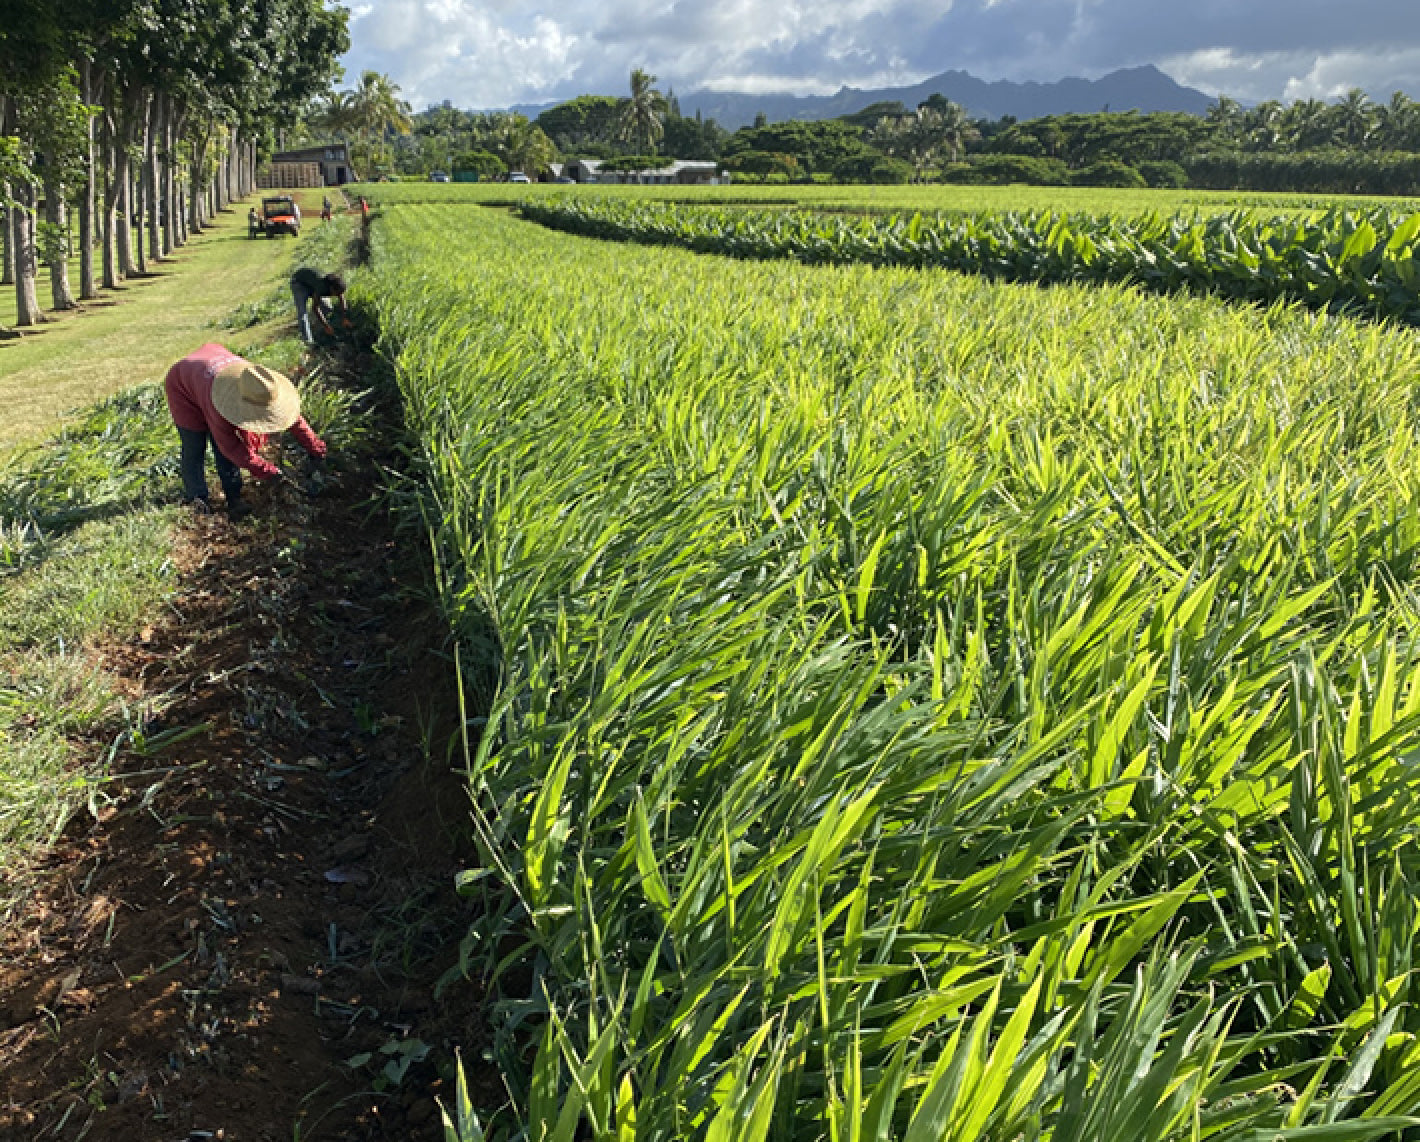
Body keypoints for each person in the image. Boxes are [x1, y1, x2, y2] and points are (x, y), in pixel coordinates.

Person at [164, 343, 327, 520]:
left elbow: (295, 421)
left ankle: (234, 497)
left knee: (224, 449)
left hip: (210, 364)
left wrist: (316, 450)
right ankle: (198, 500)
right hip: (183, 386)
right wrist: (268, 472)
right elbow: (231, 448)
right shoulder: (223, 402)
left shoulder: (261, 387)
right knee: (195, 446)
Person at [290, 268, 348, 343]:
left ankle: (313, 325)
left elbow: (342, 300)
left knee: (327, 308)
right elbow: (315, 308)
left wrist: (345, 317)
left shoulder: (336, 285)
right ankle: (308, 341)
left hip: (311, 283)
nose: (337, 295)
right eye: (336, 294)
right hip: (298, 283)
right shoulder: (322, 287)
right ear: (332, 288)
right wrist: (326, 326)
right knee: (302, 313)